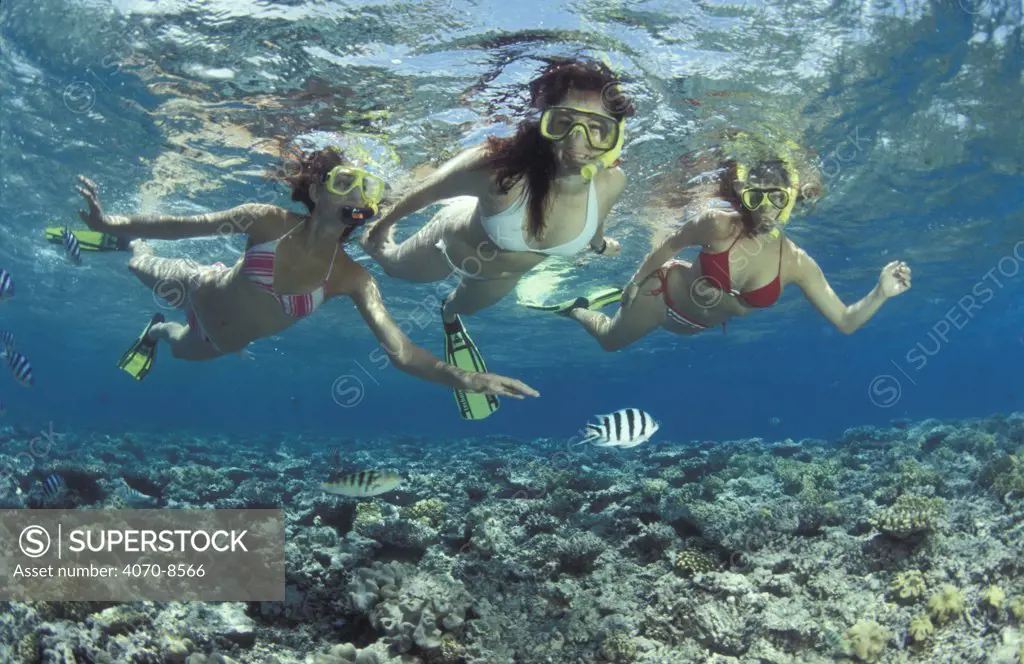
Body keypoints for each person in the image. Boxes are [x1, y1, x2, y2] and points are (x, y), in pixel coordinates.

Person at [72, 146, 539, 405]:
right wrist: (109, 223)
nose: (357, 194)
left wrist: (464, 379)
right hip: (195, 282)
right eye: (344, 183)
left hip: (218, 344)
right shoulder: (265, 221)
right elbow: (182, 227)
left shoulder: (354, 279)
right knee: (138, 263)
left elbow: (401, 352)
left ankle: (154, 328)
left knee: (177, 344)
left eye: (367, 189)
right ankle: (127, 245)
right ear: (316, 190)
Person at [359, 58, 634, 419]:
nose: (576, 142)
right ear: (543, 123)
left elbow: (594, 224)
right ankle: (385, 253)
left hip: (499, 276)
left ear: (615, 136)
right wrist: (379, 231)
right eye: (563, 123)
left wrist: (600, 244)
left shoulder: (612, 182)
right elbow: (424, 193)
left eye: (598, 129)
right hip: (450, 246)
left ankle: (448, 312)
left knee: (462, 309)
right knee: (392, 267)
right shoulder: (498, 170)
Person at [540, 145, 912, 349]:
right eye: (755, 197)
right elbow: (671, 243)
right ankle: (576, 310)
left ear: (793, 199)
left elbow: (845, 322)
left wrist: (880, 292)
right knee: (608, 340)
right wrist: (637, 281)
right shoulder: (718, 224)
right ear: (742, 196)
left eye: (776, 198)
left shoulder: (799, 263)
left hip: (692, 327)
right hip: (659, 298)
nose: (765, 209)